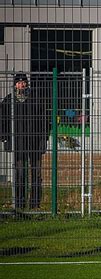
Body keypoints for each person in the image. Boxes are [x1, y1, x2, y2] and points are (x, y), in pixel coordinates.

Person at [0, 73, 51, 211]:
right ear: (15, 84)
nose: (21, 84)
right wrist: (5, 137)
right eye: (18, 82)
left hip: (34, 142)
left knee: (36, 174)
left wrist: (44, 138)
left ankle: (35, 204)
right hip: (18, 144)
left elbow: (45, 121)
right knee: (20, 173)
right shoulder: (9, 100)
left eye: (23, 82)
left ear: (27, 84)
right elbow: (2, 120)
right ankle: (19, 204)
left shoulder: (36, 99)